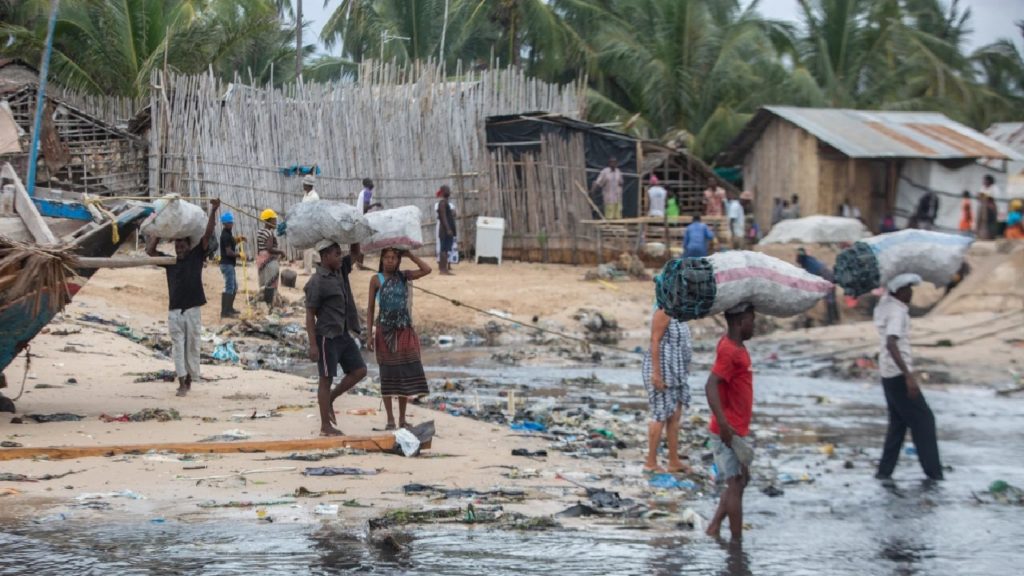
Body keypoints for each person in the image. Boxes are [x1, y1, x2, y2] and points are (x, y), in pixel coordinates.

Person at [146, 199, 220, 397]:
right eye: (177, 244)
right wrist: (159, 233)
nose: (179, 248)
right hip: (175, 311)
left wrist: (213, 210)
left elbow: (207, 234)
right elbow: (150, 252)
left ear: (189, 245)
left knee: (192, 346)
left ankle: (189, 377)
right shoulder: (169, 261)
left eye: (182, 244)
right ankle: (181, 382)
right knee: (178, 348)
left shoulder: (196, 256)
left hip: (193, 309)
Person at [874, 273, 943, 481]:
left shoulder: (884, 304)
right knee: (925, 421)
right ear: (899, 291)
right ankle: (934, 474)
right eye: (908, 288)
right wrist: (909, 377)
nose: (911, 293)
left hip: (887, 372)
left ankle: (884, 473)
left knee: (898, 425)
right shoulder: (897, 313)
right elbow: (891, 343)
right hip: (897, 373)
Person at [705, 303, 756, 540]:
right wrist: (724, 424)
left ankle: (714, 526)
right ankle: (737, 545)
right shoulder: (729, 351)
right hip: (728, 429)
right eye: (751, 320)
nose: (753, 325)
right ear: (739, 322)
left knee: (741, 480)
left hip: (736, 427)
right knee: (735, 483)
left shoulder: (736, 346)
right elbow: (711, 385)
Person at [305, 241, 367, 436]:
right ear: (325, 258)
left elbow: (356, 253)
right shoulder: (317, 282)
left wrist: (353, 235)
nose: (341, 257)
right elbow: (309, 315)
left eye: (341, 254)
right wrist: (313, 345)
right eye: (337, 254)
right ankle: (325, 426)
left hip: (343, 333)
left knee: (360, 371)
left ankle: (331, 397)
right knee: (326, 379)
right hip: (326, 336)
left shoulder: (340, 270)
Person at [367, 248, 432, 430]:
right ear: (381, 259)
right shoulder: (376, 280)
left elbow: (427, 270)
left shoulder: (404, 276)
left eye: (394, 258)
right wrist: (368, 334)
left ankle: (402, 420)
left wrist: (410, 255)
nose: (389, 261)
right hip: (383, 332)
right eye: (386, 258)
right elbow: (371, 308)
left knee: (405, 373)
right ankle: (390, 420)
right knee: (387, 374)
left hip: (404, 330)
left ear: (398, 260)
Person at [642, 305, 692, 473]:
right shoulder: (664, 310)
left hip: (678, 371)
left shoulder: (681, 311)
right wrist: (656, 373)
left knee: (675, 415)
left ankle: (673, 460)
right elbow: (655, 340)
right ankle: (651, 462)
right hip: (663, 370)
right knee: (660, 415)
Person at [796, 248, 838, 325]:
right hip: (828, 273)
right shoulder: (810, 259)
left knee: (829, 298)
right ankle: (835, 318)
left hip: (825, 275)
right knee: (831, 298)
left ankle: (831, 320)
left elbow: (812, 275)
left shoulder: (806, 262)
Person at [257, 209, 285, 310]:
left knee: (264, 282)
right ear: (268, 221)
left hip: (261, 258)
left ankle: (264, 303)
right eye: (274, 220)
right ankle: (269, 304)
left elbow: (259, 248)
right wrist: (280, 252)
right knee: (271, 282)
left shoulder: (260, 232)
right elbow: (269, 248)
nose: (275, 222)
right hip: (269, 259)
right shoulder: (269, 233)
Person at [218, 212, 239, 318]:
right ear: (225, 224)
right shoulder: (225, 235)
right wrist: (239, 255)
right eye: (229, 222)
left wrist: (238, 240)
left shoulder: (228, 233)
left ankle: (230, 308)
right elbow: (229, 252)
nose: (231, 224)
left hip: (229, 264)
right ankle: (225, 312)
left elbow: (231, 243)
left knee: (234, 286)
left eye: (231, 222)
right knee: (230, 287)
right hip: (227, 264)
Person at [436, 185, 457, 275]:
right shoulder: (442, 203)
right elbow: (443, 217)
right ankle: (443, 269)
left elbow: (447, 216)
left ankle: (444, 269)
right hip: (444, 231)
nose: (449, 191)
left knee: (445, 249)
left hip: (446, 230)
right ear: (443, 192)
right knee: (443, 249)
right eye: (447, 190)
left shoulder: (446, 203)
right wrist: (448, 229)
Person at [302, 175, 320, 274]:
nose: (303, 185)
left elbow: (313, 211)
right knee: (309, 248)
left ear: (309, 185)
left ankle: (307, 270)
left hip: (311, 223)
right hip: (305, 222)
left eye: (304, 183)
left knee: (308, 247)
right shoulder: (306, 194)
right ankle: (320, 260)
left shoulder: (314, 197)